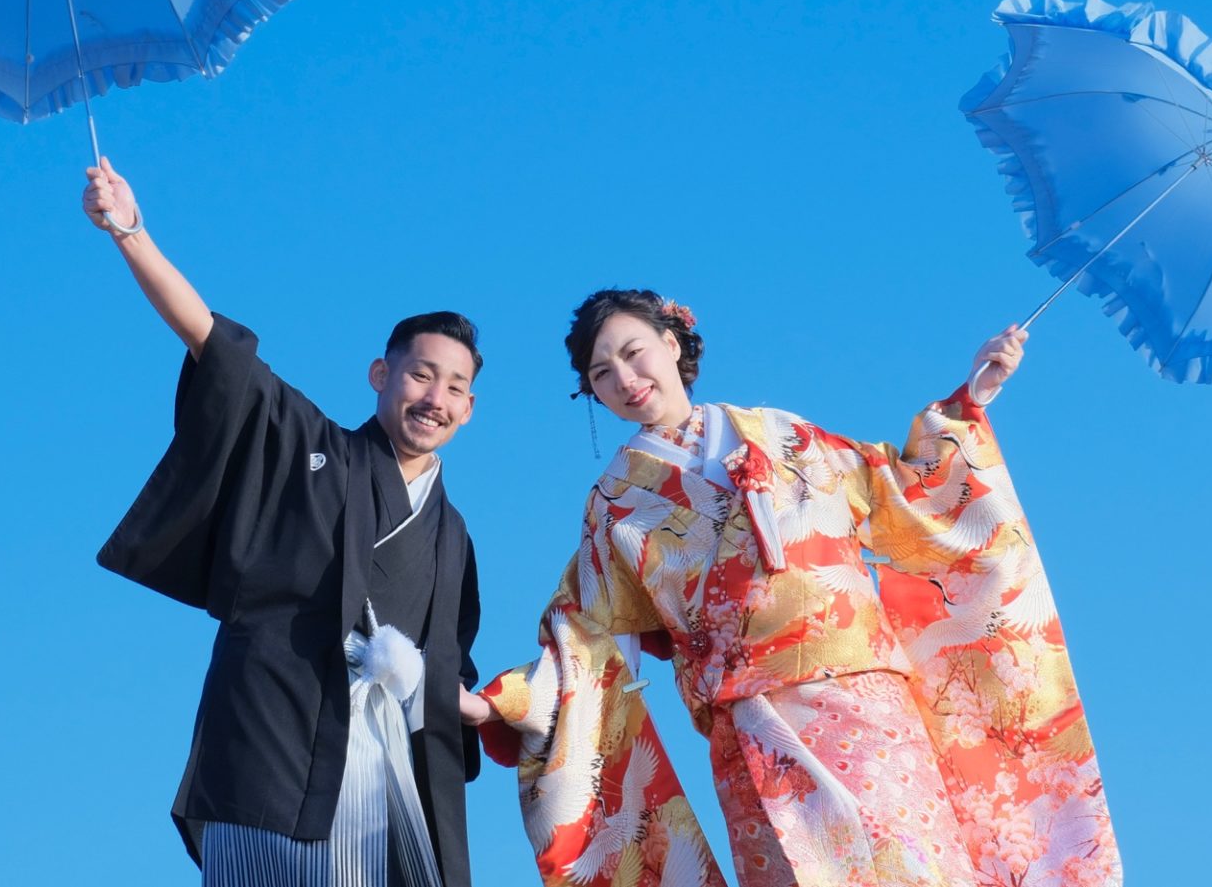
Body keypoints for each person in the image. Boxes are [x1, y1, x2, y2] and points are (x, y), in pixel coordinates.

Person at [461, 289, 1120, 887]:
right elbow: (588, 632)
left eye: (633, 353)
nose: (626, 380)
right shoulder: (614, 505)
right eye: (602, 374)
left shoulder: (782, 432)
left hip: (867, 704)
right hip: (750, 724)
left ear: (671, 342)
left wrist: (970, 398)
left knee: (916, 866)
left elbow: (898, 485)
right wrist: (502, 704)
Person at [83, 158, 484, 887]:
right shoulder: (312, 446)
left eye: (456, 386)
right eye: (421, 373)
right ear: (380, 375)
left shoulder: (452, 538)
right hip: (273, 732)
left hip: (387, 769)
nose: (436, 397)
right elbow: (214, 345)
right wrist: (131, 232)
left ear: (470, 408)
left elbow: (455, 684)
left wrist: (430, 678)